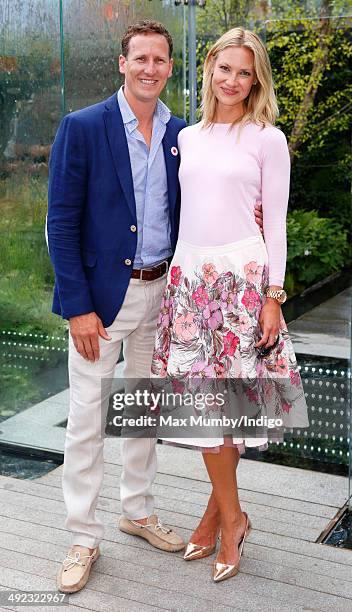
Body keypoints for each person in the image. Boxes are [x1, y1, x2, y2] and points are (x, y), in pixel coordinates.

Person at [47, 19, 264, 593]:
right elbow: (61, 223)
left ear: (172, 67)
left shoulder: (184, 135)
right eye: (139, 59)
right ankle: (82, 536)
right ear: (123, 63)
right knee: (88, 419)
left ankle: (137, 511)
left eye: (159, 60)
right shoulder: (84, 127)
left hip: (163, 295)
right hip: (100, 303)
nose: (149, 69)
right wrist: (77, 307)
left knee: (143, 414)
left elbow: (210, 198)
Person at [151, 27, 308, 583]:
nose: (233, 81)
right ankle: (225, 514)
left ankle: (225, 517)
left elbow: (278, 223)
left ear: (256, 79)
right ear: (210, 68)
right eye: (225, 69)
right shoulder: (186, 137)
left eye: (245, 72)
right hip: (190, 278)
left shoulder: (268, 138)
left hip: (242, 283)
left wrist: (273, 296)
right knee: (207, 411)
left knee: (230, 411)